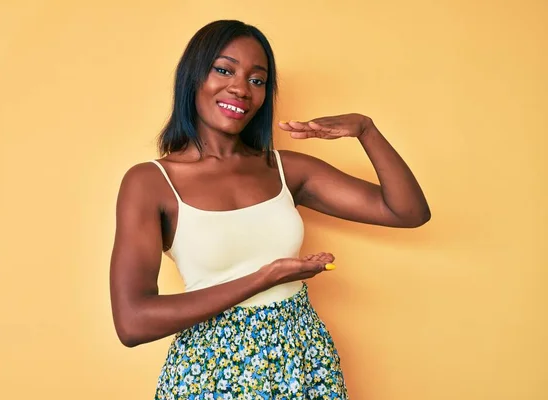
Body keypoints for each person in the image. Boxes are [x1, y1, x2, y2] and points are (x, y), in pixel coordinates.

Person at [109, 19, 430, 400]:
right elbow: (132, 322)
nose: (240, 88)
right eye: (224, 70)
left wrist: (366, 130)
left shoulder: (284, 169)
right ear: (193, 77)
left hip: (303, 362)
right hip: (210, 374)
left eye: (257, 80)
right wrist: (263, 278)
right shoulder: (150, 182)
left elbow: (408, 212)